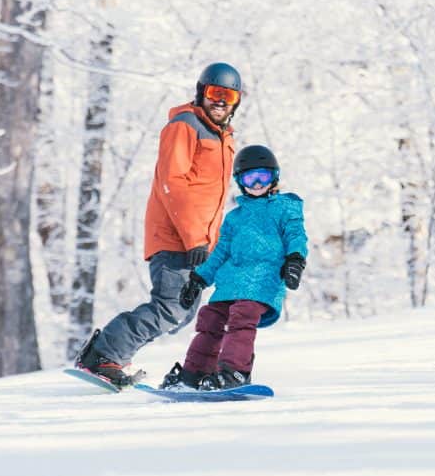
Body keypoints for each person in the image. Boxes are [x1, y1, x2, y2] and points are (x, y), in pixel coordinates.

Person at [75, 62, 242, 387]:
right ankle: (103, 355)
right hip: (176, 239)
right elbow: (173, 184)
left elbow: (212, 200)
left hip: (199, 244)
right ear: (201, 92)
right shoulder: (185, 126)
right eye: (214, 93)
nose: (220, 102)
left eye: (228, 96)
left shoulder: (224, 137)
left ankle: (110, 355)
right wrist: (194, 237)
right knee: (170, 309)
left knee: (181, 314)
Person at [159, 144, 308, 390]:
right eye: (251, 178)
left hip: (263, 279)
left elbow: (296, 235)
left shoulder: (286, 207)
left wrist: (295, 259)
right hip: (230, 282)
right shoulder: (234, 218)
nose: (258, 184)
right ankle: (195, 373)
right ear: (240, 181)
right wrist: (199, 279)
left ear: (275, 178)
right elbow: (220, 253)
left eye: (264, 176)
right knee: (210, 319)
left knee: (242, 316)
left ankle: (234, 372)